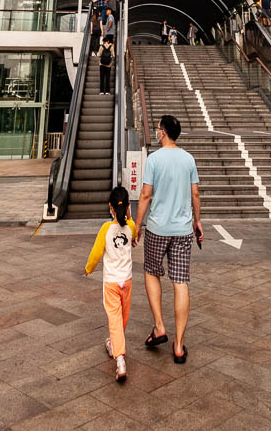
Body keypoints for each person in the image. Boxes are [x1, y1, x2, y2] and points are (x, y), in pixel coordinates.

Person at [134, 114, 202, 365]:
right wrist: (197, 221)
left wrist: (138, 225)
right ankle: (179, 346)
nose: (156, 131)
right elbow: (195, 193)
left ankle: (160, 326)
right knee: (180, 281)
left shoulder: (154, 159)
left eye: (158, 129)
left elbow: (145, 195)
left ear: (163, 132)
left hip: (157, 228)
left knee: (152, 272)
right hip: (183, 230)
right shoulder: (188, 159)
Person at [85, 185, 137, 382]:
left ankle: (120, 359)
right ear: (128, 206)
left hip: (111, 282)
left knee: (114, 318)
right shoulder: (130, 227)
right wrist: (129, 215)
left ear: (110, 207)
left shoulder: (106, 229)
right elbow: (132, 231)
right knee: (123, 317)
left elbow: (96, 252)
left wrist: (89, 268)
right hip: (127, 280)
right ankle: (114, 343)